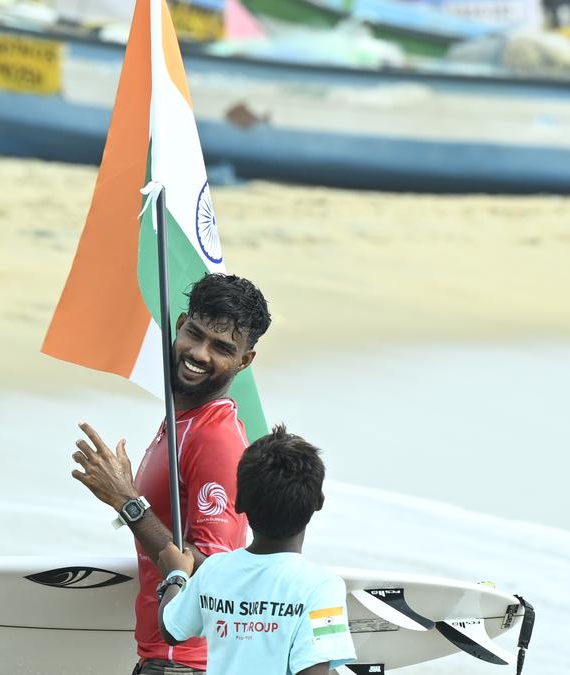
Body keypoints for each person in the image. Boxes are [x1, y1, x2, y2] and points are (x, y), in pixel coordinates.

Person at [70, 273, 271, 675]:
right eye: (194, 334)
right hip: (165, 660)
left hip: (185, 664)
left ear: (244, 361)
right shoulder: (182, 422)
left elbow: (215, 572)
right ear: (180, 325)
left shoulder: (215, 438)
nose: (199, 353)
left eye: (221, 347)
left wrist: (127, 502)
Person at [155, 425, 357, 675]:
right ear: (319, 501)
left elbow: (171, 630)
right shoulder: (322, 587)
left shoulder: (214, 570)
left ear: (239, 503)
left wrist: (176, 575)